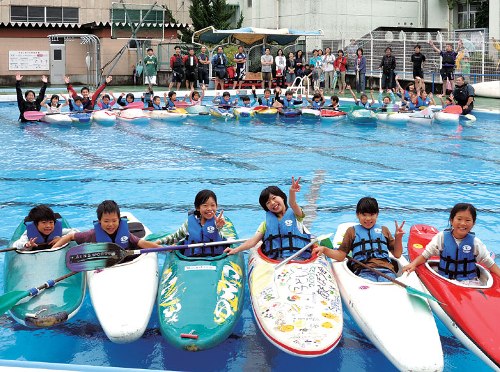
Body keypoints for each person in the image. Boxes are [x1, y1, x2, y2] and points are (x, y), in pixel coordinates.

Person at [403, 203, 500, 284]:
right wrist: (413, 264)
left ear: (473, 223)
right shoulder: (441, 237)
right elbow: (425, 255)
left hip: (470, 281)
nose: (463, 223)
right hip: (444, 278)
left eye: (468, 220)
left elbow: (489, 262)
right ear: (451, 220)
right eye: (459, 219)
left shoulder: (475, 242)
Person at [313, 197, 405, 282]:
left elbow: (397, 254)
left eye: (372, 214)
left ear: (377, 215)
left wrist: (398, 238)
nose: (368, 218)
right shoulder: (351, 231)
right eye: (364, 215)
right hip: (363, 271)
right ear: (358, 215)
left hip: (386, 271)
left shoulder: (384, 230)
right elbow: (341, 255)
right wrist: (324, 249)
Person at [225, 177, 315, 260]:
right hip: (275, 261)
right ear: (266, 208)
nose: (272, 203)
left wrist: (292, 191)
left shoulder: (296, 215)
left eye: (274, 198)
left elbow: (293, 203)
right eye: (268, 202)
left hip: (299, 258)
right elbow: (253, 241)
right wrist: (235, 250)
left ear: (282, 197)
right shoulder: (265, 224)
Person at [52, 200, 159, 251]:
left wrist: (163, 248)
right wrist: (53, 250)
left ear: (119, 220)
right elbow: (70, 236)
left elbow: (142, 243)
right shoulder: (91, 234)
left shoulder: (125, 234)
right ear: (99, 221)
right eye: (106, 221)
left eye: (114, 221)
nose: (110, 224)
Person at [154, 190, 227, 257]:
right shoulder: (189, 223)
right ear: (198, 207)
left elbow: (221, 232)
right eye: (205, 205)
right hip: (191, 260)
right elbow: (175, 237)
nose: (209, 209)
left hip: (215, 259)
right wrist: (158, 242)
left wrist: (218, 226)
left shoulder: (219, 221)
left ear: (216, 206)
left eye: (212, 205)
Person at [12, 205, 78, 250]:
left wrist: (62, 239)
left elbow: (76, 231)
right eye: (44, 222)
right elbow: (15, 245)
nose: (48, 226)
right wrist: (27, 245)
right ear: (35, 224)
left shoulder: (58, 231)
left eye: (51, 222)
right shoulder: (29, 234)